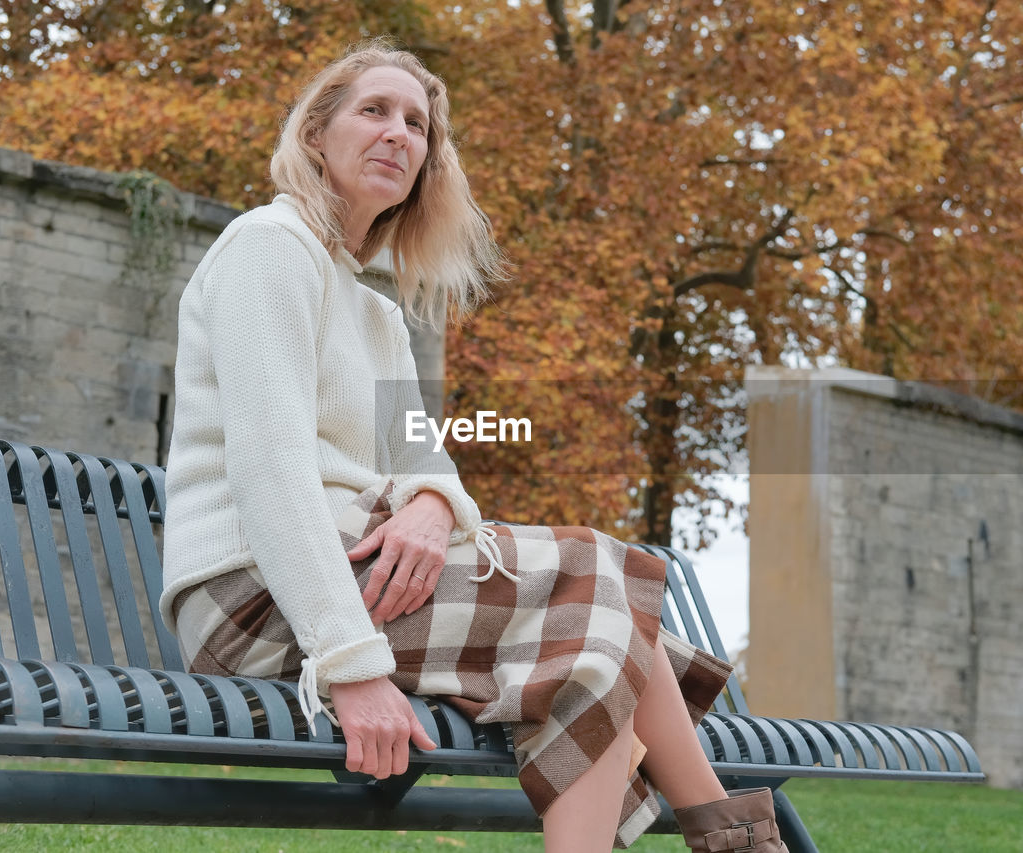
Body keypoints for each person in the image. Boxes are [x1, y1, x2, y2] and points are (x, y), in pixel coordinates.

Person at [158, 38, 786, 852]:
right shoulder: (267, 249)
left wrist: (428, 505)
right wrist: (352, 666)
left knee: (600, 640)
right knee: (603, 578)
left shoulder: (376, 312)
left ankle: (728, 838)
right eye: (374, 111)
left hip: (357, 576)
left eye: (416, 124)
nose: (398, 134)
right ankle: (736, 838)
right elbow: (269, 468)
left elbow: (428, 461)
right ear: (317, 135)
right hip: (259, 599)